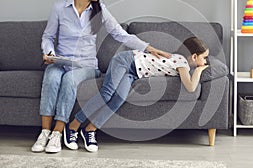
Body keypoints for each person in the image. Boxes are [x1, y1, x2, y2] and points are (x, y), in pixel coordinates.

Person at [31, 0, 170, 153]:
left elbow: (121, 34)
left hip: (85, 65)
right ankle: (45, 132)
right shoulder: (60, 8)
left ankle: (58, 133)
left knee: (69, 80)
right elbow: (48, 37)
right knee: (51, 78)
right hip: (60, 62)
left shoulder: (99, 11)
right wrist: (48, 52)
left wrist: (148, 47)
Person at [65, 37, 209, 152]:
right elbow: (191, 87)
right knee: (107, 93)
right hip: (126, 60)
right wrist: (199, 71)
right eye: (204, 58)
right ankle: (73, 126)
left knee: (119, 98)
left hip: (134, 73)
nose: (206, 61)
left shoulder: (179, 60)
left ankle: (90, 129)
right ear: (194, 56)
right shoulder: (182, 63)